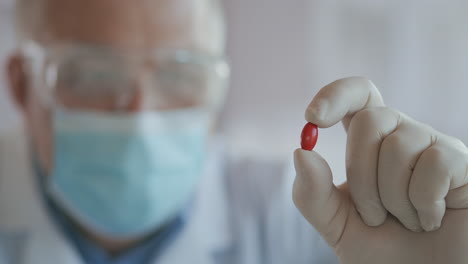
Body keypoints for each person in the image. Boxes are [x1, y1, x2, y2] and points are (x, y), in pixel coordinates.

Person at [0, 0, 467, 264]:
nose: (142, 114)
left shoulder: (306, 219)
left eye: (180, 76)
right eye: (94, 75)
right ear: (21, 85)